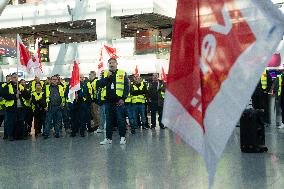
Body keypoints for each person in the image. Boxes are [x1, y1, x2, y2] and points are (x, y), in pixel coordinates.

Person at [98, 58, 129, 145]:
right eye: (110, 63)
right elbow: (100, 84)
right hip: (108, 101)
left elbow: (127, 87)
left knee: (120, 120)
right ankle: (108, 138)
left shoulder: (122, 73)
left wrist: (123, 98)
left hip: (119, 101)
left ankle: (122, 137)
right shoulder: (104, 73)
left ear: (116, 64)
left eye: (113, 63)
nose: (111, 64)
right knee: (109, 120)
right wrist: (107, 77)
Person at [2, 73, 30, 140]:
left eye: (17, 77)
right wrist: (15, 96)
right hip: (11, 108)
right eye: (14, 77)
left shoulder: (20, 86)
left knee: (21, 122)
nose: (16, 79)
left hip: (20, 107)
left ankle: (21, 135)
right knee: (11, 122)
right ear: (11, 78)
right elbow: (5, 95)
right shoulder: (7, 86)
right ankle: (10, 136)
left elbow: (28, 96)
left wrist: (22, 91)